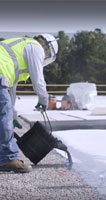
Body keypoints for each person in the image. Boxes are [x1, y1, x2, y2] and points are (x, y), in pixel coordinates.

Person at [0, 33, 58, 172]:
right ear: (46, 48)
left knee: (5, 113)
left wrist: (13, 115)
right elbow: (38, 79)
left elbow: (10, 90)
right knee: (4, 116)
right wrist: (44, 99)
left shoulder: (17, 51)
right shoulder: (35, 47)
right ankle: (8, 159)